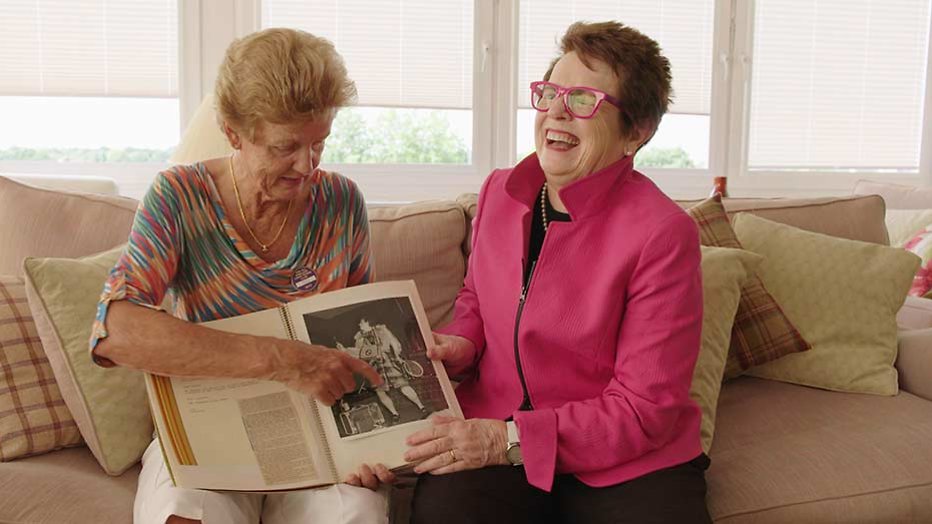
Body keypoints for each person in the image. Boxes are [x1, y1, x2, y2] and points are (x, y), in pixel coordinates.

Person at [403, 21, 711, 523]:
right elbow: (476, 299)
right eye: (550, 93)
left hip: (623, 459)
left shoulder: (664, 232)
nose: (556, 112)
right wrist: (465, 342)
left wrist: (509, 440)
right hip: (495, 424)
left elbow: (644, 409)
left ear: (637, 131)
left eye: (584, 99)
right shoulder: (499, 192)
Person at [90, 28, 391, 524]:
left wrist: (378, 444)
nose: (307, 165)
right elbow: (115, 331)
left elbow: (356, 336)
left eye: (320, 142)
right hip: (210, 431)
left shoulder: (342, 203)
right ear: (233, 133)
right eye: (284, 147)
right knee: (183, 514)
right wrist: (283, 361)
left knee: (356, 514)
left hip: (318, 443)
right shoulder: (179, 197)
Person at [340, 318, 428, 421]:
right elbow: (360, 353)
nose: (359, 325)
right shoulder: (360, 339)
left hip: (389, 362)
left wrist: (397, 356)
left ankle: (421, 406)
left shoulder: (382, 331)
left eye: (361, 323)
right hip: (375, 367)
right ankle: (395, 414)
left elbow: (394, 343)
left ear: (368, 322)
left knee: (403, 385)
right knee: (380, 392)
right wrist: (344, 350)